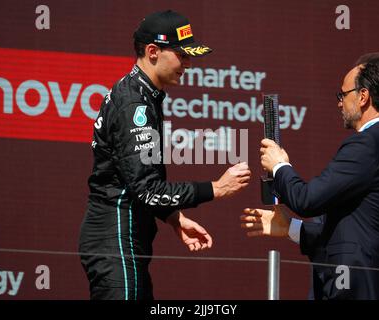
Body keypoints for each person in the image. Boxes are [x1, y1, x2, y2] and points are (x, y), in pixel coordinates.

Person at [79, 10, 251, 300]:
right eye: (182, 55)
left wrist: (173, 218)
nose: (188, 64)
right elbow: (146, 189)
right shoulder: (135, 103)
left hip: (121, 238)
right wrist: (217, 189)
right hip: (116, 239)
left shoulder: (142, 94)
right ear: (153, 52)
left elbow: (135, 179)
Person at [242, 53, 379, 299]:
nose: (339, 103)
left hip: (355, 289)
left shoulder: (369, 145)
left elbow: (307, 200)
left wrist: (280, 166)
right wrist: (290, 227)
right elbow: (354, 231)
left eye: (342, 95)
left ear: (363, 96)